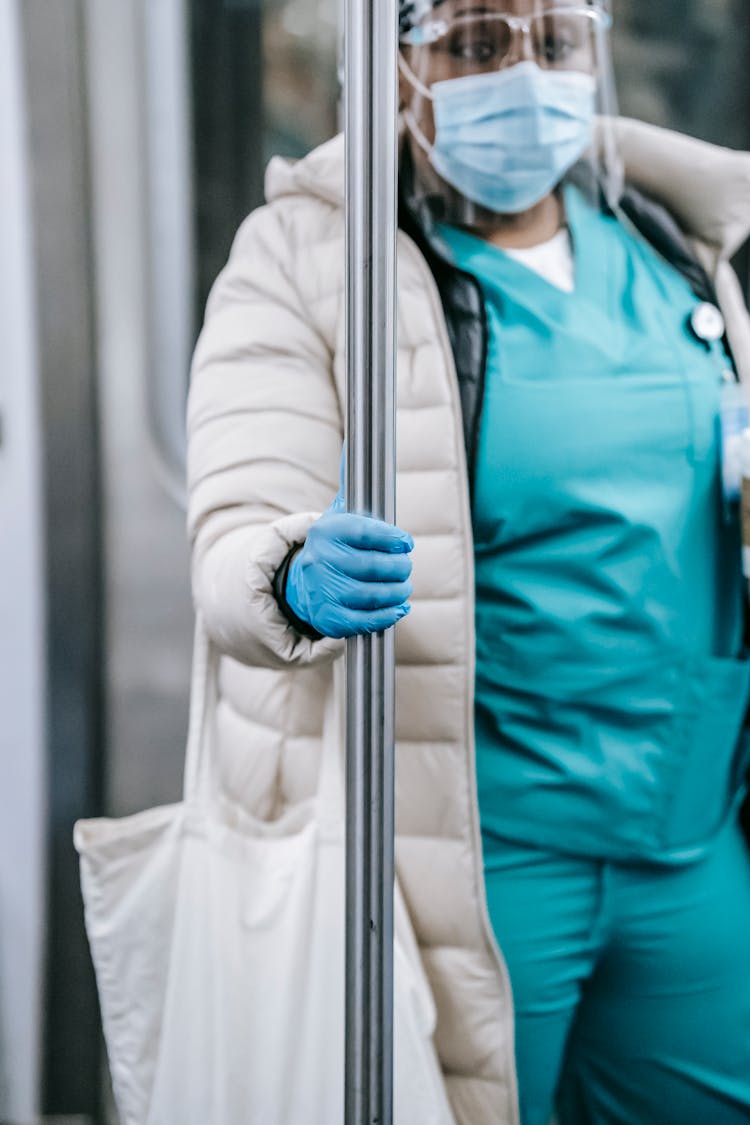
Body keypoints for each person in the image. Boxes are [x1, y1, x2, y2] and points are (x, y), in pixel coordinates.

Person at [185, 1, 750, 1121]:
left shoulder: (675, 243)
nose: (525, 74)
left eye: (555, 42)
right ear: (395, 68)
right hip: (477, 862)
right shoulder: (313, 259)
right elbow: (238, 525)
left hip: (690, 845)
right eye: (478, 44)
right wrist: (291, 573)